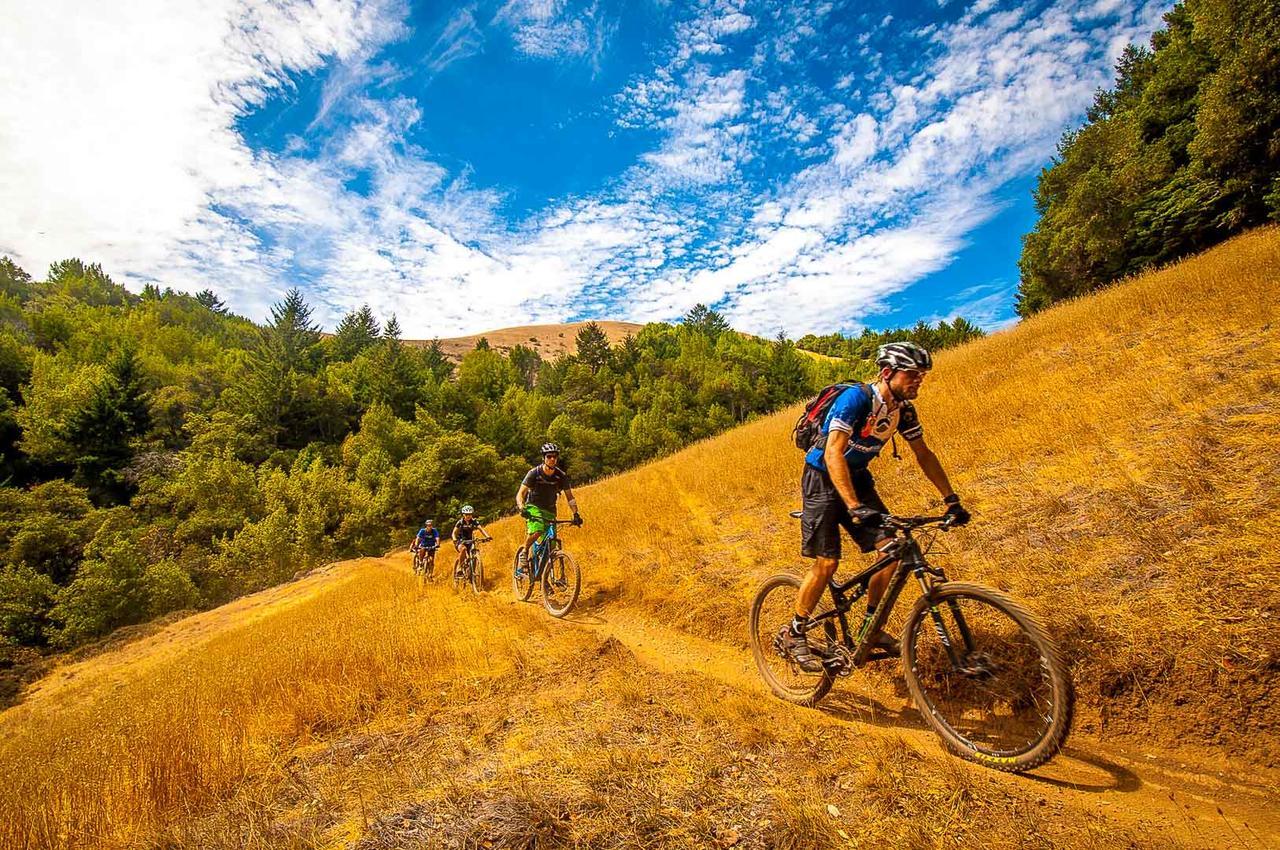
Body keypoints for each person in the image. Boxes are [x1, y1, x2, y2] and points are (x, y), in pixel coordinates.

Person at [782, 341, 971, 672]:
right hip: (822, 479)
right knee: (827, 563)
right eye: (912, 375)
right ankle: (795, 632)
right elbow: (832, 453)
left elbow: (923, 454)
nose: (918, 381)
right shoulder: (855, 400)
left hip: (857, 477)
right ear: (888, 373)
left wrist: (951, 499)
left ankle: (869, 628)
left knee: (891, 551)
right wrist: (854, 506)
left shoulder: (903, 411)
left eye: (922, 376)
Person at [515, 443, 581, 574]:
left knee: (551, 545)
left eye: (555, 457)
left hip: (550, 510)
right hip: (533, 507)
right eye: (549, 456)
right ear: (544, 458)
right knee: (538, 529)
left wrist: (576, 514)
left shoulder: (561, 476)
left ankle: (544, 577)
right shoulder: (534, 473)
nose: (552, 459)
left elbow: (570, 497)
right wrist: (522, 508)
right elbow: (520, 494)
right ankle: (524, 551)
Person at [451, 505, 491, 577]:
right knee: (463, 549)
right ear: (463, 515)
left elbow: (481, 529)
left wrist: (487, 536)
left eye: (470, 514)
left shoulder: (474, 521)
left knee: (472, 555)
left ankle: (471, 574)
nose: (468, 516)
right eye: (466, 514)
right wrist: (454, 539)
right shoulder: (460, 522)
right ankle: (459, 568)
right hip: (460, 541)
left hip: (470, 540)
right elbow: (454, 533)